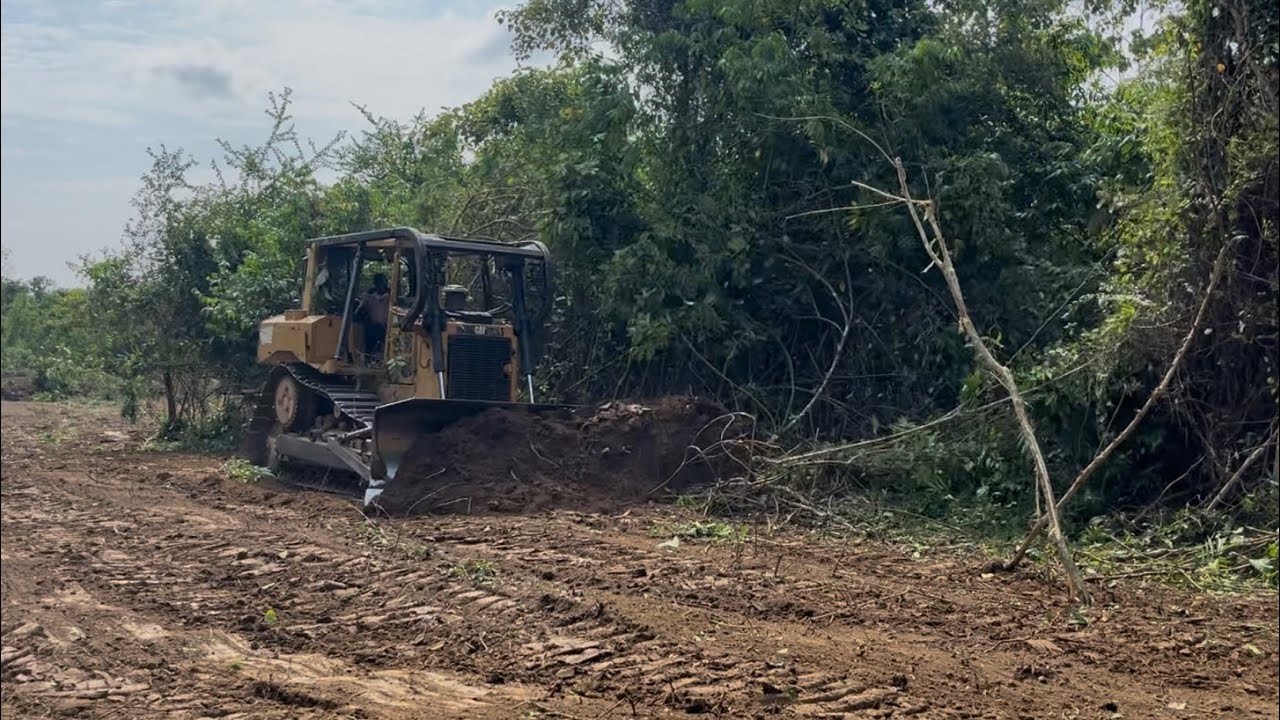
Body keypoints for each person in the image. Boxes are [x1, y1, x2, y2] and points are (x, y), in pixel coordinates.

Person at [357, 273, 391, 356]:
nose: (382, 285)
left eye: (383, 282)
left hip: (389, 328)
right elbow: (359, 311)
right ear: (376, 284)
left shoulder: (391, 297)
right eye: (379, 283)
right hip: (374, 328)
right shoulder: (369, 298)